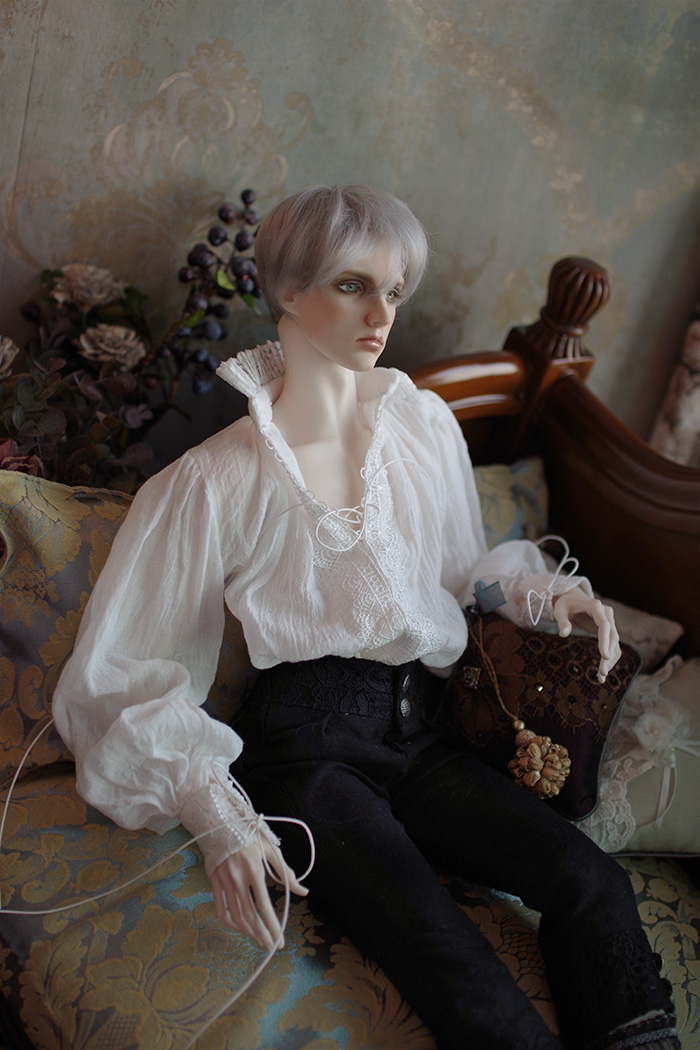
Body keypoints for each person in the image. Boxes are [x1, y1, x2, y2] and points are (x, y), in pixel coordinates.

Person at [52, 185, 679, 1050]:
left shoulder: (421, 427)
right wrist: (217, 813)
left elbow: (461, 572)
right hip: (308, 756)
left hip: (425, 735)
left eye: (394, 290)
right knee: (453, 962)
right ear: (290, 291)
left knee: (590, 880)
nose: (382, 314)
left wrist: (546, 596)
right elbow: (124, 673)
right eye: (353, 286)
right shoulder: (214, 480)